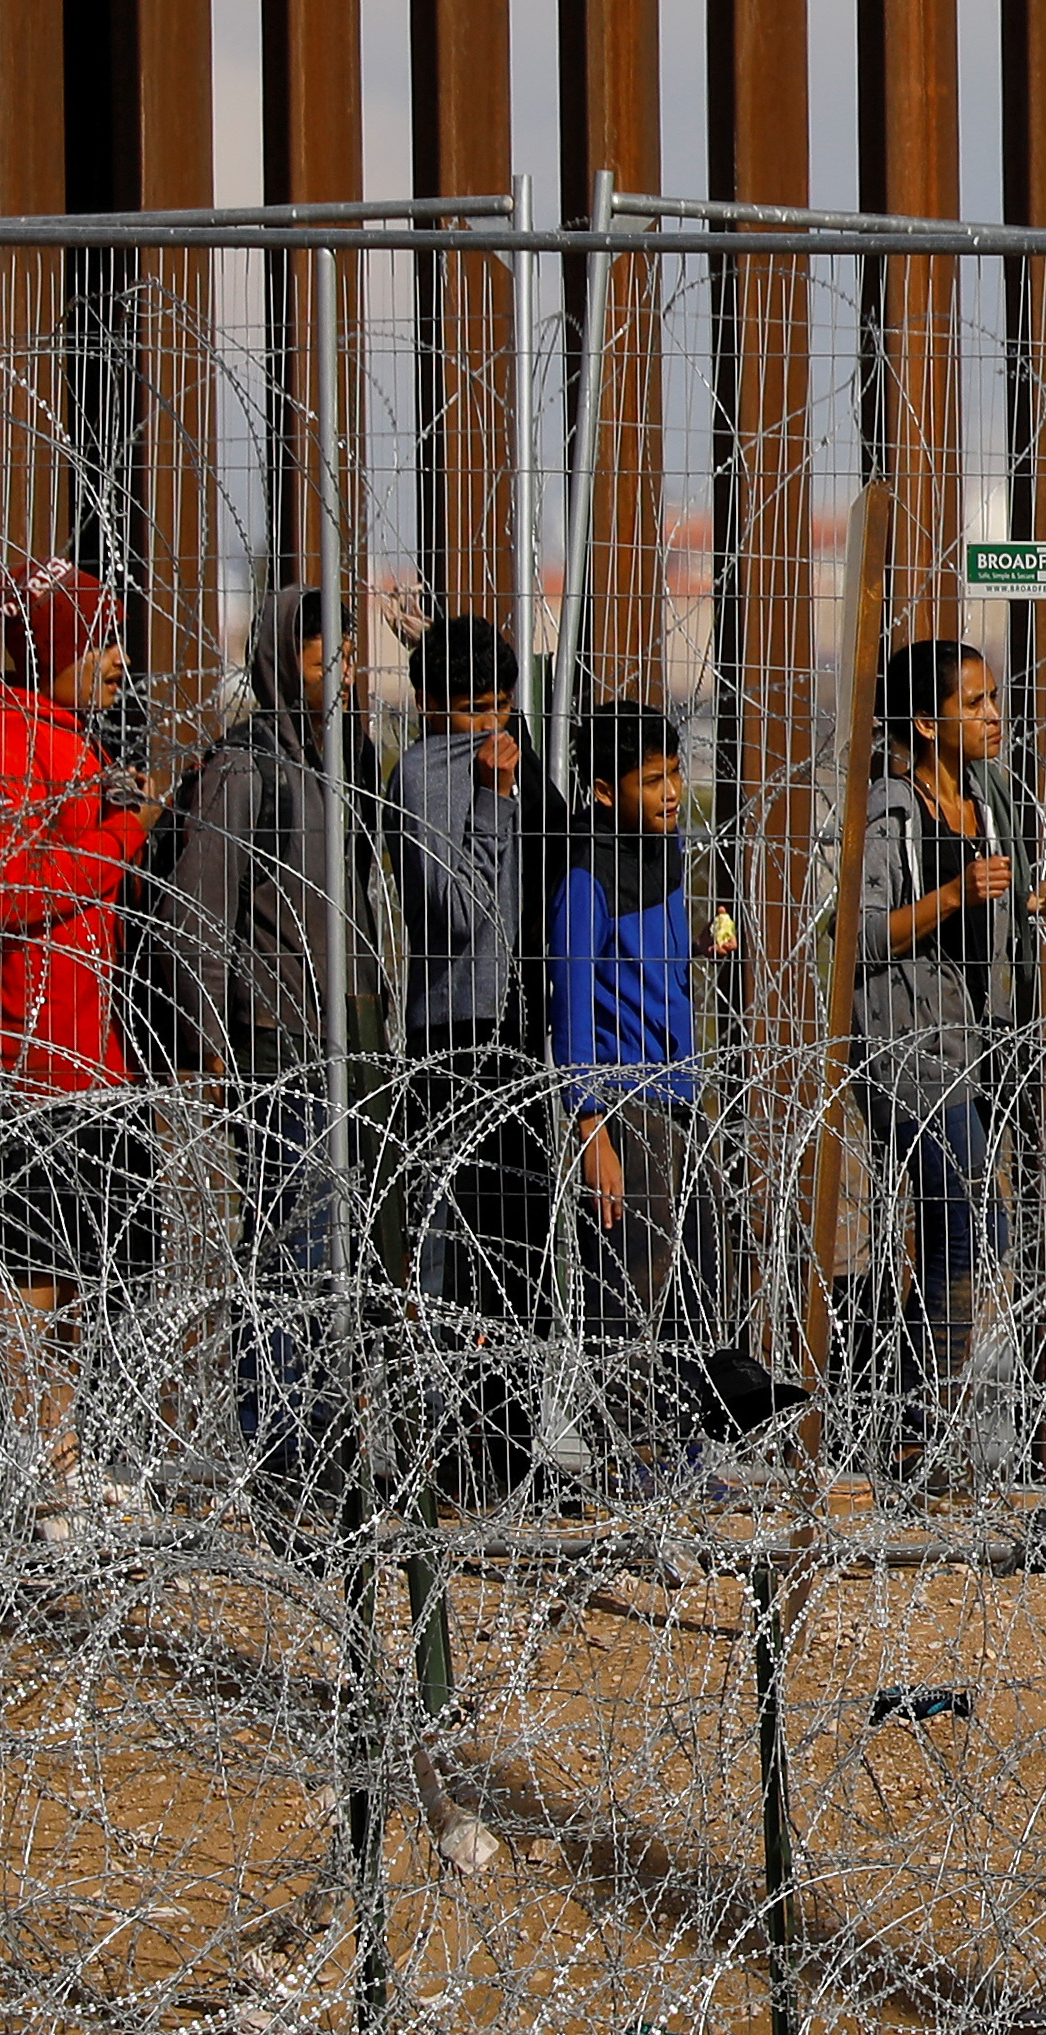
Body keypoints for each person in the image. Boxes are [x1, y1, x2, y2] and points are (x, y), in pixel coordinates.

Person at [156, 586, 394, 1505]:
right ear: (274, 661)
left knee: (347, 1253)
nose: (337, 673)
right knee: (294, 1249)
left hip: (354, 1033)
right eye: (316, 656)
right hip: (282, 1038)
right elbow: (194, 909)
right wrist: (212, 1037)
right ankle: (278, 1454)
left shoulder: (340, 764)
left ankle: (326, 1441)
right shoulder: (248, 769)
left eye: (347, 657)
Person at [0, 561, 171, 1520]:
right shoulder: (5, 736)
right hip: (38, 1047)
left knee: (94, 1254)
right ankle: (34, 1466)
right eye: (100, 641)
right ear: (52, 646)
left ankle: (66, 1456)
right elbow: (5, 891)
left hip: (91, 1042)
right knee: (39, 1261)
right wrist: (126, 831)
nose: (119, 661)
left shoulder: (63, 737)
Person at [850, 639, 1046, 1488]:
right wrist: (952, 896)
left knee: (964, 1236)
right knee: (973, 1228)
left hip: (975, 1048)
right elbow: (858, 934)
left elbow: (983, 910)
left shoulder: (987, 801)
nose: (992, 716)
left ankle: (919, 1428)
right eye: (972, 703)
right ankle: (913, 1426)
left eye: (993, 698)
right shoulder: (890, 810)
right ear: (924, 721)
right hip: (908, 1050)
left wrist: (1030, 902)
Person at [390, 613, 575, 1502]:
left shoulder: (499, 750)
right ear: (429, 710)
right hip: (457, 1035)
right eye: (471, 712)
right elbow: (461, 912)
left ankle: (509, 1447)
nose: (492, 729)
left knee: (519, 1248)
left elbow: (557, 850)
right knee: (471, 1249)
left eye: (504, 708)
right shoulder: (427, 774)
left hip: (515, 1026)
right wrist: (498, 802)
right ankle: (467, 1454)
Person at [549, 699, 710, 1494]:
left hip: (677, 1091)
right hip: (623, 1102)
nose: (672, 791)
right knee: (632, 1289)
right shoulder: (587, 873)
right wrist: (591, 1126)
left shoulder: (668, 850)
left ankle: (680, 1450)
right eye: (652, 780)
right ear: (606, 792)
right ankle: (628, 1456)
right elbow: (571, 1000)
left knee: (691, 1277)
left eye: (675, 773)